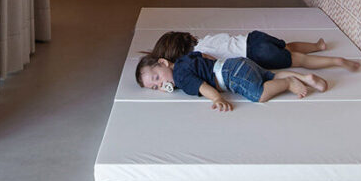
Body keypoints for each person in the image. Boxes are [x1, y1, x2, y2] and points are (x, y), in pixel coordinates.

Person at [135, 50, 326, 108]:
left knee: (259, 94)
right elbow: (205, 56)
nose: (161, 84)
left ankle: (288, 83)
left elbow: (203, 86)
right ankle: (305, 77)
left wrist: (217, 98)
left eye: (157, 77)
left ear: (163, 62)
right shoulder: (184, 59)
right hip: (235, 63)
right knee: (269, 76)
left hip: (231, 76)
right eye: (155, 87)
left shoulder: (181, 78)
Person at [146, 29, 361, 74]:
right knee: (288, 46)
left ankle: (337, 62)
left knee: (299, 61)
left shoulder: (197, 57)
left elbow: (211, 62)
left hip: (256, 56)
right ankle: (317, 46)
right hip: (254, 39)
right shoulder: (206, 39)